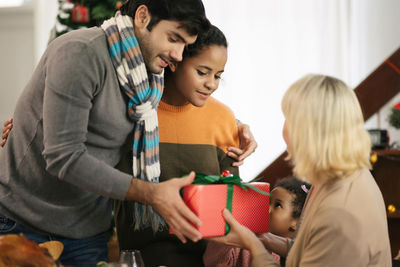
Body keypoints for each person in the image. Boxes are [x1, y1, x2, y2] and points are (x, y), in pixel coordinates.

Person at [0, 1, 257, 265]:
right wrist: (152, 193)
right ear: (143, 16)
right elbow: (63, 155)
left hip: (86, 230)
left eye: (185, 44)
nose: (179, 55)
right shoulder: (80, 52)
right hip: (21, 221)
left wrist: (235, 125)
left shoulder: (149, 74)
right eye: (173, 38)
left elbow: (176, 103)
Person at [210, 74, 392, 266]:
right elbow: (312, 250)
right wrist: (264, 240)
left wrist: (253, 246)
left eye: (289, 120)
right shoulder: (340, 177)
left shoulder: (340, 212)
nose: (284, 131)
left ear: (309, 130)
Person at [114, 24, 241, 267]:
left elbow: (230, 201)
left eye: (218, 75)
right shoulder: (135, 111)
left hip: (211, 259)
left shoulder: (223, 118)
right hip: (142, 258)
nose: (211, 84)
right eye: (202, 72)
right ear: (175, 61)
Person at [203, 176, 311, 267]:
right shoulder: (245, 236)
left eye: (277, 205)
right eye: (267, 201)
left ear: (297, 223)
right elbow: (214, 262)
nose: (266, 207)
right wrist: (226, 232)